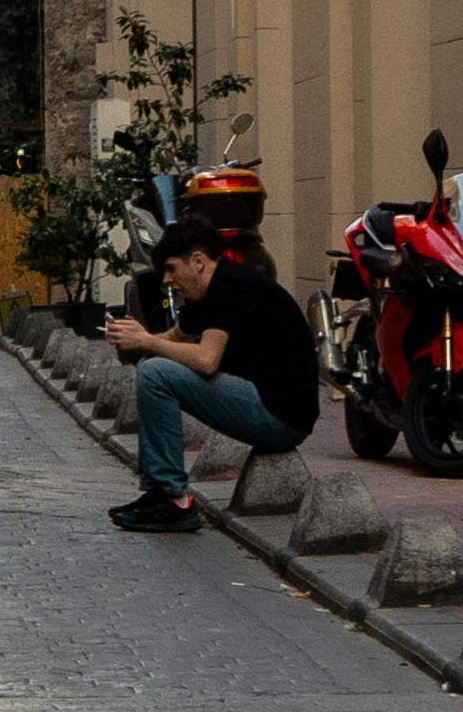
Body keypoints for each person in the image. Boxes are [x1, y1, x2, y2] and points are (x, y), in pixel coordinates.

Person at [106, 212, 320, 531]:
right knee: (153, 367)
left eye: (171, 269)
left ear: (198, 261)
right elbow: (175, 339)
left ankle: (171, 499)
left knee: (155, 374)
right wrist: (133, 343)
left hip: (281, 417)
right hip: (265, 402)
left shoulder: (231, 287)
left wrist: (147, 341)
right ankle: (160, 493)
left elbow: (207, 360)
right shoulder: (209, 291)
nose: (166, 280)